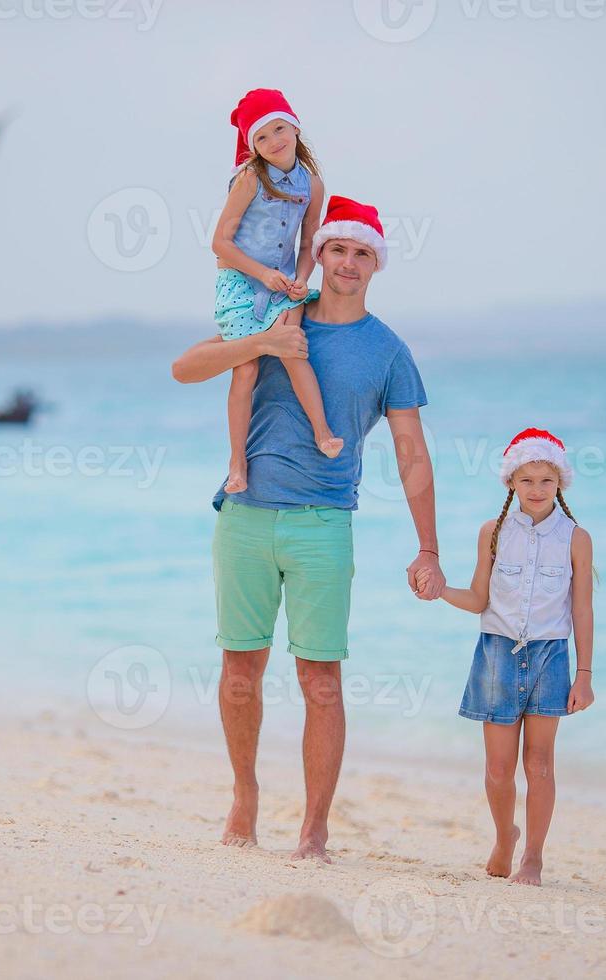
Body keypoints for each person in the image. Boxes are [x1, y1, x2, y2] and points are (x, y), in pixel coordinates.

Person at [171, 196, 445, 862]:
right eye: (338, 249)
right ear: (318, 253)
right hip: (245, 516)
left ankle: (315, 828)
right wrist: (262, 341)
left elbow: (410, 451)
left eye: (362, 253)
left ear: (376, 263)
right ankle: (245, 795)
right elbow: (185, 368)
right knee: (240, 670)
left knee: (322, 680)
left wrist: (429, 547)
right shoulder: (274, 313)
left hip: (324, 525)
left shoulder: (387, 351)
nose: (348, 263)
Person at [434, 428, 596, 885]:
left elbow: (581, 608)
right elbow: (478, 599)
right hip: (496, 656)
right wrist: (440, 590)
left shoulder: (576, 538)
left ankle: (533, 857)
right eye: (527, 481)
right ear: (511, 483)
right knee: (499, 769)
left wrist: (583, 675)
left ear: (560, 482)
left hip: (551, 658)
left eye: (546, 480)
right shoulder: (493, 532)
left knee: (540, 763)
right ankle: (505, 836)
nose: (537, 490)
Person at [212, 88, 339, 494]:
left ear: (296, 128)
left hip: (285, 284)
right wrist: (262, 274)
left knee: (292, 347)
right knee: (246, 368)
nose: (274, 142)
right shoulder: (250, 178)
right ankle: (237, 462)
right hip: (240, 280)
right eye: (261, 137)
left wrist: (302, 277)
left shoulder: (312, 184)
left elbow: (308, 244)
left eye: (279, 129)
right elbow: (220, 243)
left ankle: (322, 433)